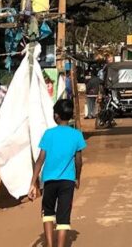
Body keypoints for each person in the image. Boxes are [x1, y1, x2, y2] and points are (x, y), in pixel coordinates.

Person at [29, 99, 86, 247]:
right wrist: (77, 178)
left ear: (56, 116)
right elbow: (79, 161)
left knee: (47, 213)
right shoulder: (77, 135)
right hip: (68, 181)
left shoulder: (48, 134)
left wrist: (33, 183)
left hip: (49, 181)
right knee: (63, 217)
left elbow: (40, 160)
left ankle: (49, 244)